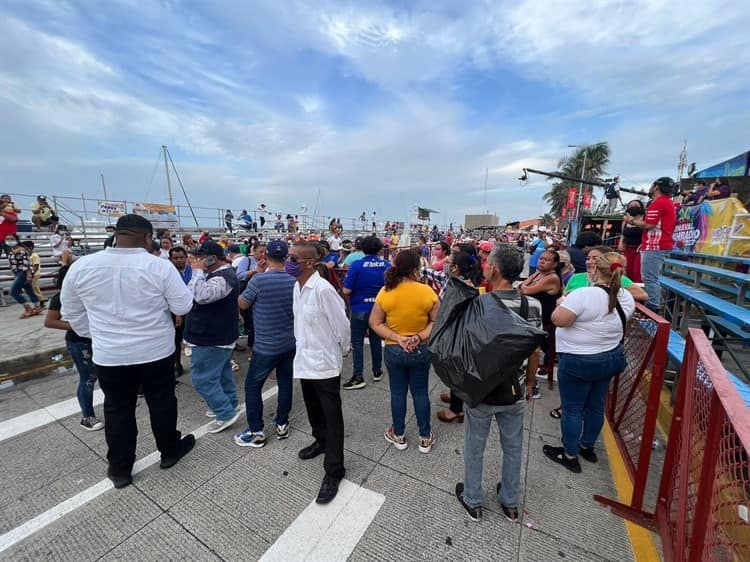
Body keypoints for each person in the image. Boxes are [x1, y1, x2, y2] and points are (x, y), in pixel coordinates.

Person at [60, 214, 196, 489]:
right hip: (155, 351)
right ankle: (169, 451)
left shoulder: (82, 266)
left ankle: (120, 469)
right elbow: (183, 306)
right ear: (147, 237)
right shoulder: (158, 266)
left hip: (109, 354)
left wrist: (99, 335)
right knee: (162, 401)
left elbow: (72, 314)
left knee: (117, 409)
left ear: (117, 234)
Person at [455, 244, 542, 522]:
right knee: (514, 447)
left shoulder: (479, 303)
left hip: (481, 390)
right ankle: (510, 501)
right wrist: (529, 384)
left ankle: (473, 498)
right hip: (514, 389)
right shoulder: (532, 304)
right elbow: (533, 351)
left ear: (494, 269)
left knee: (474, 447)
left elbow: (468, 347)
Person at [543, 252, 635, 473]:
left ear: (594, 271)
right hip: (610, 358)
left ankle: (570, 454)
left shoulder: (584, 294)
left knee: (572, 408)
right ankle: (587, 446)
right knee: (595, 405)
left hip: (579, 359)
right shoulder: (625, 297)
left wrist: (562, 303)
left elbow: (558, 320)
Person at [288, 241, 351, 504]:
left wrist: (343, 351)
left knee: (332, 415)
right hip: (304, 360)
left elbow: (342, 325)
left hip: (325, 363)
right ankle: (320, 440)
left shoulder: (323, 290)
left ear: (309, 263)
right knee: (313, 408)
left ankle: (334, 469)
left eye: (293, 257)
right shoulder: (296, 286)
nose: (288, 260)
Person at [369, 249, 439, 454]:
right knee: (420, 392)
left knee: (397, 393)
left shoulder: (386, 291)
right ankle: (425, 437)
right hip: (420, 349)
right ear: (416, 269)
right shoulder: (427, 292)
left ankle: (398, 434)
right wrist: (417, 337)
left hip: (394, 350)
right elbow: (436, 321)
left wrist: (399, 338)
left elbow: (375, 322)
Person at [234, 240, 296, 447]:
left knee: (253, 386)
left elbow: (242, 303)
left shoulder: (259, 281)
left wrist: (258, 274)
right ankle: (282, 423)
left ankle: (256, 431)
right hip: (289, 342)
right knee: (285, 381)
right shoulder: (293, 280)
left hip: (265, 346)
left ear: (265, 257)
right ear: (286, 258)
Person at [184, 241, 241, 434]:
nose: (196, 260)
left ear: (212, 258)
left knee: (202, 379)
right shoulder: (217, 275)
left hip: (211, 337)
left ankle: (225, 413)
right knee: (222, 374)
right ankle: (229, 404)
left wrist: (198, 271)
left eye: (200, 257)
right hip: (215, 335)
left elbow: (201, 296)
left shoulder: (224, 277)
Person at [45, 265, 104, 431]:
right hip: (79, 342)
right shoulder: (60, 297)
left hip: (98, 339)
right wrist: (77, 326)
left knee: (105, 373)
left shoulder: (90, 292)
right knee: (88, 378)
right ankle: (87, 417)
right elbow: (50, 321)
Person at [342, 235, 390, 390]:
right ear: (379, 249)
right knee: (376, 340)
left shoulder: (356, 265)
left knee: (357, 342)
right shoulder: (386, 264)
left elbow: (346, 289)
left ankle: (358, 376)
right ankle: (377, 371)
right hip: (379, 309)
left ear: (362, 248)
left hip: (359, 308)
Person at [625, 177, 677, 312]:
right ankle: (652, 306)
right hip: (658, 245)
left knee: (649, 278)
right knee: (650, 277)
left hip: (656, 245)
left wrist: (632, 221)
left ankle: (653, 308)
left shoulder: (659, 203)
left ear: (656, 187)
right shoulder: (665, 202)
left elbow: (649, 224)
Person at [519, 250, 562, 397]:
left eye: (547, 260)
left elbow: (526, 289)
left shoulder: (552, 278)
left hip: (542, 319)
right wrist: (524, 287)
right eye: (541, 258)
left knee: (533, 351)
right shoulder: (538, 274)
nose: (542, 261)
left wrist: (525, 287)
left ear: (555, 264)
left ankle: (532, 383)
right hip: (532, 314)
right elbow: (522, 286)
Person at [6, 233, 43, 318]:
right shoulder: (12, 250)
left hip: (23, 273)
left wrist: (29, 275)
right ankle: (37, 307)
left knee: (13, 292)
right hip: (17, 273)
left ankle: (28, 308)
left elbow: (27, 263)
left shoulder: (21, 250)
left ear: (16, 240)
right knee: (29, 290)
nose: (9, 241)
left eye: (11, 239)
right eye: (7, 239)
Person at [168, 246, 191, 377]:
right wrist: (177, 313)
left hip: (193, 308)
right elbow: (171, 294)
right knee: (176, 339)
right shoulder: (169, 272)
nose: (179, 260)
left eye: (182, 257)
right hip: (176, 311)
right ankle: (177, 364)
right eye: (175, 258)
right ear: (170, 259)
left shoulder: (192, 270)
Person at [619, 200, 645, 283]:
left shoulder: (644, 219)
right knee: (628, 270)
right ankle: (631, 288)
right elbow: (623, 233)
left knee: (637, 271)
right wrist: (621, 242)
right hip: (628, 248)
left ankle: (640, 290)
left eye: (636, 204)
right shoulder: (625, 221)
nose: (633, 206)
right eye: (631, 205)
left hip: (640, 248)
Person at [21, 240, 47, 306]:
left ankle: (41, 300)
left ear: (30, 248)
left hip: (34, 274)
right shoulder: (27, 256)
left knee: (33, 288)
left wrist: (31, 274)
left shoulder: (34, 255)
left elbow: (36, 266)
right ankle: (41, 299)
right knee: (35, 288)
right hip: (31, 274)